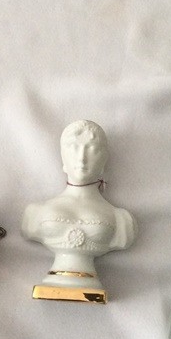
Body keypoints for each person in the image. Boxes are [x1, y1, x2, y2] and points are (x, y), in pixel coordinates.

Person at [21, 120, 137, 303]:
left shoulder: (121, 220)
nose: (81, 158)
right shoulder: (35, 213)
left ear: (104, 159)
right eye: (73, 148)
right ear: (62, 156)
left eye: (92, 149)